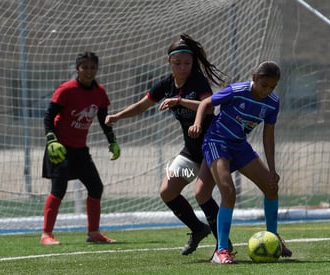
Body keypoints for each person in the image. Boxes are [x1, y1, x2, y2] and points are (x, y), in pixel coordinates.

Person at [105, 33, 231, 255]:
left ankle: (224, 245)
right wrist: (117, 116)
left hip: (212, 148)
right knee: (167, 191)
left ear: (193, 63)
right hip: (192, 150)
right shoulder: (166, 85)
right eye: (178, 63)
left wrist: (180, 101)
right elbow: (141, 106)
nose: (183, 67)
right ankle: (197, 229)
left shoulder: (198, 81)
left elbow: (208, 107)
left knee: (201, 194)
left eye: (187, 63)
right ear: (169, 63)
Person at [188, 61, 292, 264]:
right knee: (228, 192)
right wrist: (197, 124)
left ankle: (273, 238)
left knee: (271, 188)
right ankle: (221, 250)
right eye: (264, 85)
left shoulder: (272, 102)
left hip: (240, 147)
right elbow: (205, 104)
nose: (267, 90)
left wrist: (272, 169)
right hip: (217, 142)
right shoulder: (237, 91)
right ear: (254, 77)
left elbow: (268, 136)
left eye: (272, 87)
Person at [40, 51, 121, 245]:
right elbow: (48, 117)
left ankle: (93, 233)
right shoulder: (66, 90)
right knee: (58, 189)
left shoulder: (99, 92)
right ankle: (46, 235)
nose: (89, 71)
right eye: (85, 67)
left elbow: (104, 120)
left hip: (80, 150)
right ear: (78, 69)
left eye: (93, 67)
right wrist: (52, 140)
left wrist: (112, 141)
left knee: (96, 187)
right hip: (60, 148)